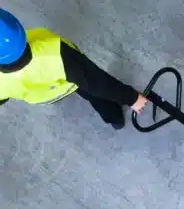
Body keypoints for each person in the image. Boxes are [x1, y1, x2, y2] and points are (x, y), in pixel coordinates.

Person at [0, 8, 148, 130]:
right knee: (94, 93)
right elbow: (98, 82)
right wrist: (132, 98)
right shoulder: (54, 55)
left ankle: (114, 120)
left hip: (44, 95)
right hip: (70, 82)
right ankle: (114, 118)